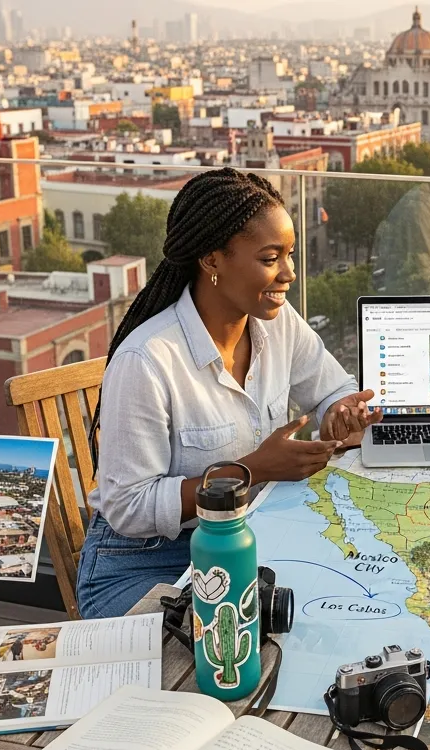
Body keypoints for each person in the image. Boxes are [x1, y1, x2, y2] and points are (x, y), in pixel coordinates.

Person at [78, 168, 381, 619]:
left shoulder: (277, 327)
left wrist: (340, 412)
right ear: (212, 259)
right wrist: (249, 471)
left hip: (246, 539)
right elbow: (128, 507)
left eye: (290, 254)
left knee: (341, 609)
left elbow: (333, 390)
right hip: (144, 560)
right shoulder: (146, 361)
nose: (290, 273)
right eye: (270, 258)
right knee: (227, 644)